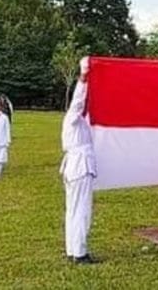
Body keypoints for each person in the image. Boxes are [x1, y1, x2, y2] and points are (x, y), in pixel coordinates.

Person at [60, 57, 97, 264]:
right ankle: (80, 252)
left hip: (73, 167)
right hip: (80, 167)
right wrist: (83, 78)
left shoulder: (80, 120)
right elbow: (78, 101)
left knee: (73, 209)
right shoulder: (73, 117)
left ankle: (72, 249)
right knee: (82, 210)